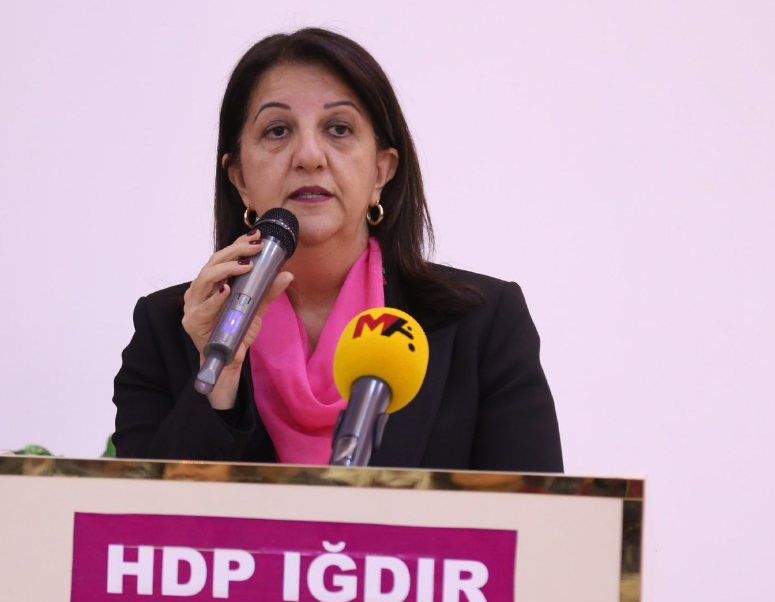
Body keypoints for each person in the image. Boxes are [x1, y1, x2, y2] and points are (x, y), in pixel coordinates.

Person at [112, 28, 562, 472]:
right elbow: (136, 515)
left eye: (339, 129)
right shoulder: (167, 330)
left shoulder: (482, 326)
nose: (309, 156)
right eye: (277, 130)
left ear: (381, 171)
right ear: (240, 179)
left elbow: (534, 515)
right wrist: (216, 382)